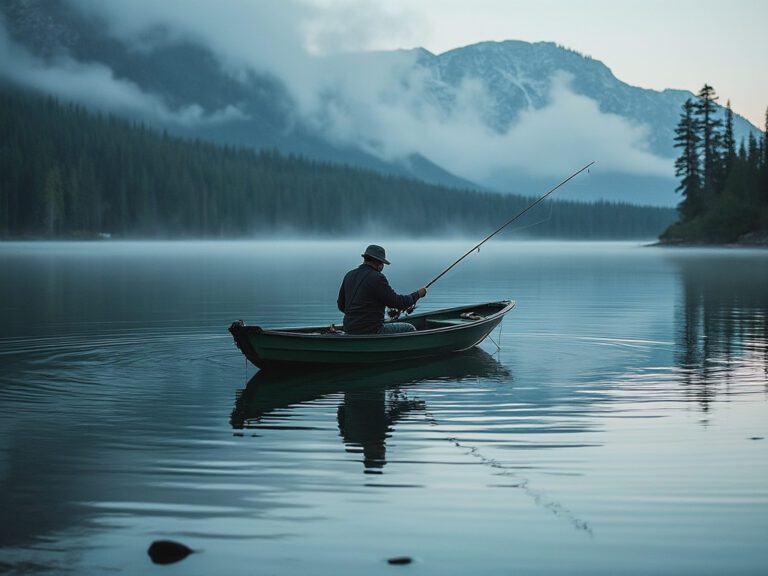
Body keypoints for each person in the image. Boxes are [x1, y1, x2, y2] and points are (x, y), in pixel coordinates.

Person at [337, 245, 427, 334]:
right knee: (409, 328)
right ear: (379, 263)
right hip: (372, 330)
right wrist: (418, 294)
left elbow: (341, 305)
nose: (383, 266)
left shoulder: (349, 275)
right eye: (382, 263)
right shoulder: (377, 278)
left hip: (349, 329)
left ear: (365, 259)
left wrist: (358, 316)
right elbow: (398, 302)